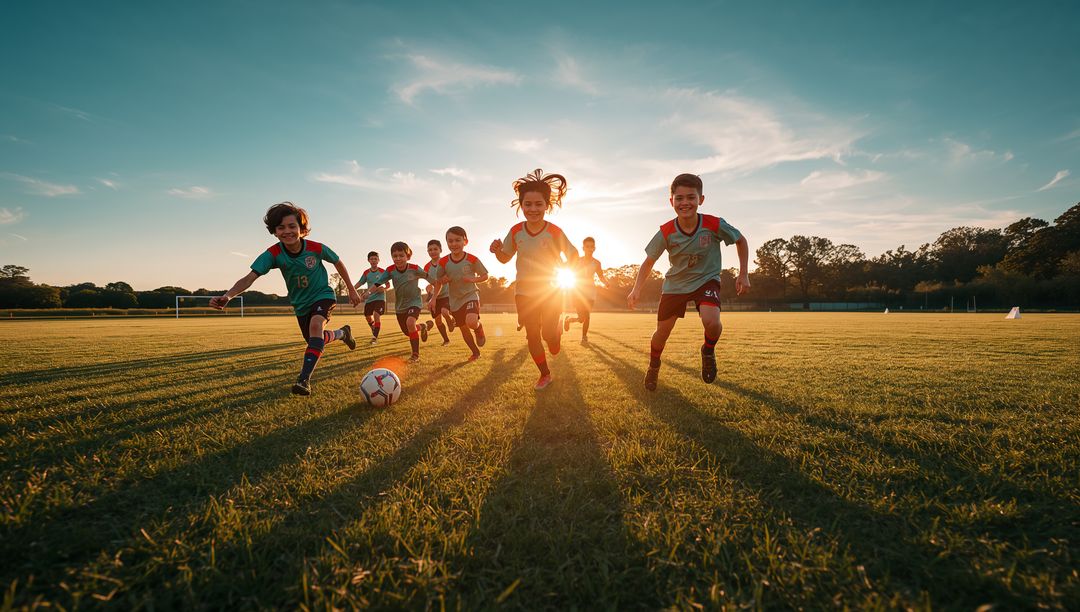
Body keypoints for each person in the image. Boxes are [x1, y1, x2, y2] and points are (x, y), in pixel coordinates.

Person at [211, 202, 361, 396]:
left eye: (292, 226)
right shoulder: (273, 253)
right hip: (301, 305)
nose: (287, 231)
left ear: (302, 229)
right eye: (281, 227)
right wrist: (228, 296)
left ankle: (304, 380)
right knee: (316, 340)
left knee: (316, 326)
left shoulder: (316, 248)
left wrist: (351, 289)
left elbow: (337, 262)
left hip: (323, 295)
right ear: (274, 231)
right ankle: (343, 333)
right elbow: (249, 278)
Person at [627, 173, 749, 391]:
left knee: (712, 322)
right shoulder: (666, 231)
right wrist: (636, 289)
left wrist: (743, 273)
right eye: (679, 198)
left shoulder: (713, 224)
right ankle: (654, 365)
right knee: (661, 334)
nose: (685, 203)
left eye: (691, 197)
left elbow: (740, 240)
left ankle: (708, 350)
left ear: (701, 199)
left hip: (706, 280)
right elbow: (648, 262)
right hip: (676, 286)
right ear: (671, 201)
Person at [490, 169, 578, 391]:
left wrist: (568, 267)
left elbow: (573, 255)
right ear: (521, 206)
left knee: (548, 334)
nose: (533, 209)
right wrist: (496, 251)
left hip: (551, 292)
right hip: (524, 292)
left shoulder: (555, 232)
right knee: (531, 334)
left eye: (538, 204)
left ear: (547, 206)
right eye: (528, 204)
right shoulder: (516, 231)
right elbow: (504, 258)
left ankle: (556, 333)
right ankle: (545, 374)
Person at [364, 241, 432, 363]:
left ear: (408, 256)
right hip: (400, 306)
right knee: (408, 331)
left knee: (410, 322)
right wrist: (367, 293)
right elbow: (377, 284)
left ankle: (415, 355)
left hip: (414, 302)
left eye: (401, 256)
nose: (398, 258)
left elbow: (431, 278)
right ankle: (423, 326)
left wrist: (435, 290)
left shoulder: (415, 268)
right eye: (395, 256)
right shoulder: (390, 270)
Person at [428, 226, 488, 362]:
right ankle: (475, 353)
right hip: (454, 300)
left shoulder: (472, 259)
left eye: (457, 240)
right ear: (447, 243)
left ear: (465, 241)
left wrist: (473, 279)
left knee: (471, 322)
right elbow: (438, 282)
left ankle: (479, 328)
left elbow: (485, 276)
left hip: (470, 295)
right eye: (450, 241)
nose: (454, 244)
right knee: (464, 329)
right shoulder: (443, 262)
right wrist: (433, 298)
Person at [563, 236, 608, 345]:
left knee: (586, 316)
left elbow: (601, 276)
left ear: (594, 248)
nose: (589, 248)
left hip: (591, 292)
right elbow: (568, 269)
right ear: (583, 248)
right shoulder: (577, 260)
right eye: (587, 246)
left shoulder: (597, 263)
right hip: (578, 291)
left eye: (591, 247)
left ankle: (584, 337)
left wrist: (606, 283)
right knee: (582, 318)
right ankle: (568, 320)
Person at [423, 239, 455, 345]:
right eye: (430, 250)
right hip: (435, 297)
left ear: (440, 249)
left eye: (435, 249)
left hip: (448, 294)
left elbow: (452, 276)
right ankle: (446, 340)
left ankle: (451, 321)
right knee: (438, 321)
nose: (432, 252)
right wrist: (429, 289)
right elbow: (431, 283)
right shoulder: (426, 267)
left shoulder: (447, 262)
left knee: (445, 312)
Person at [355, 251, 386, 344]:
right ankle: (374, 328)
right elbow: (360, 282)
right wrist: (352, 289)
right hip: (369, 299)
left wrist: (384, 288)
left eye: (375, 259)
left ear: (378, 260)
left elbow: (388, 285)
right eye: (371, 259)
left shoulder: (382, 272)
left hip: (380, 298)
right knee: (368, 316)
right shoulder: (366, 273)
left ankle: (374, 338)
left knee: (376, 315)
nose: (373, 260)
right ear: (368, 260)